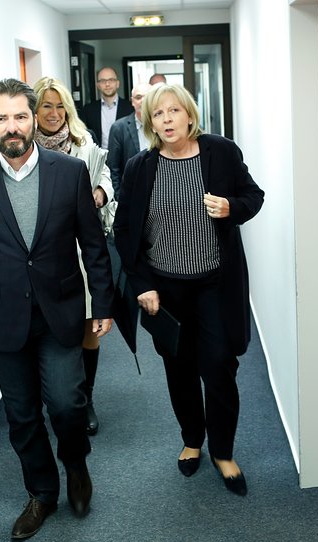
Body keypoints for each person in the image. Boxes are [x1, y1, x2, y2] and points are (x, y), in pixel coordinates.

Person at [0, 78, 114, 540]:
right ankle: (42, 492)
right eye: (2, 118)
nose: (12, 126)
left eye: (20, 116)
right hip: (4, 318)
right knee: (21, 415)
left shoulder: (69, 172)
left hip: (61, 310)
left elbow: (92, 243)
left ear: (34, 118)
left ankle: (75, 463)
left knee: (67, 404)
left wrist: (102, 301)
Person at [113, 83, 264, 496]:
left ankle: (223, 451)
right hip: (165, 289)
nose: (166, 120)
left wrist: (231, 207)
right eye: (157, 114)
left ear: (189, 114)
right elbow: (124, 230)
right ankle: (192, 440)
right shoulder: (140, 167)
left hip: (215, 283)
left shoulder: (221, 152)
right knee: (178, 369)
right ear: (149, 122)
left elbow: (254, 196)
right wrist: (143, 285)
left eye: (173, 111)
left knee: (219, 366)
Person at [32, 75, 113, 436]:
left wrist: (100, 191)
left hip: (79, 249)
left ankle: (85, 399)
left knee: (86, 326)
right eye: (46, 106)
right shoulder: (25, 148)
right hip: (43, 253)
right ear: (35, 110)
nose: (54, 113)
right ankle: (54, 396)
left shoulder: (83, 142)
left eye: (59, 106)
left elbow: (105, 174)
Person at [107, 82, 152, 201]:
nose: (142, 101)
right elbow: (113, 168)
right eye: (138, 97)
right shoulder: (119, 128)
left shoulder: (162, 125)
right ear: (132, 101)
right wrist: (119, 199)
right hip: (130, 196)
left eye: (147, 97)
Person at [79, 67, 132, 150]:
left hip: (124, 156)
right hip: (98, 155)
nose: (107, 84)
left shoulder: (130, 108)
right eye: (103, 81)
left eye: (111, 80)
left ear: (117, 83)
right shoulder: (88, 110)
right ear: (98, 85)